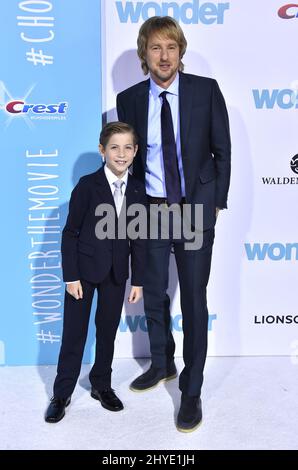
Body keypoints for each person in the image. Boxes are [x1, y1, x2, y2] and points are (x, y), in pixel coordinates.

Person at [117, 16, 231, 432]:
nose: (163, 56)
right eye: (155, 48)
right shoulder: (128, 98)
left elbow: (222, 149)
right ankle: (162, 363)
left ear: (180, 51)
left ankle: (192, 389)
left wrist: (215, 203)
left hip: (194, 208)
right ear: (144, 55)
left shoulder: (204, 90)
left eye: (171, 47)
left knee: (194, 301)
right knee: (152, 293)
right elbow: (127, 160)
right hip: (150, 210)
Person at [45, 122, 146, 423]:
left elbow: (138, 238)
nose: (121, 153)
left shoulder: (139, 188)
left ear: (136, 151)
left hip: (117, 272)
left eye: (128, 147)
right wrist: (70, 276)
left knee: (107, 333)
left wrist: (137, 279)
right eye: (114, 147)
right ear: (102, 150)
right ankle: (61, 393)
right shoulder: (87, 186)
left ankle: (101, 385)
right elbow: (70, 233)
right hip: (84, 274)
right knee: (74, 334)